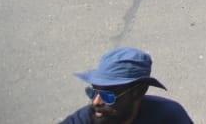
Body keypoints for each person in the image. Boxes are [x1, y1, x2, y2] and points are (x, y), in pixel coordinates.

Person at [59, 46, 193, 123]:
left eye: (108, 95)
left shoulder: (168, 116)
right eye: (93, 92)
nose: (96, 102)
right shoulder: (85, 119)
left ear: (139, 91)